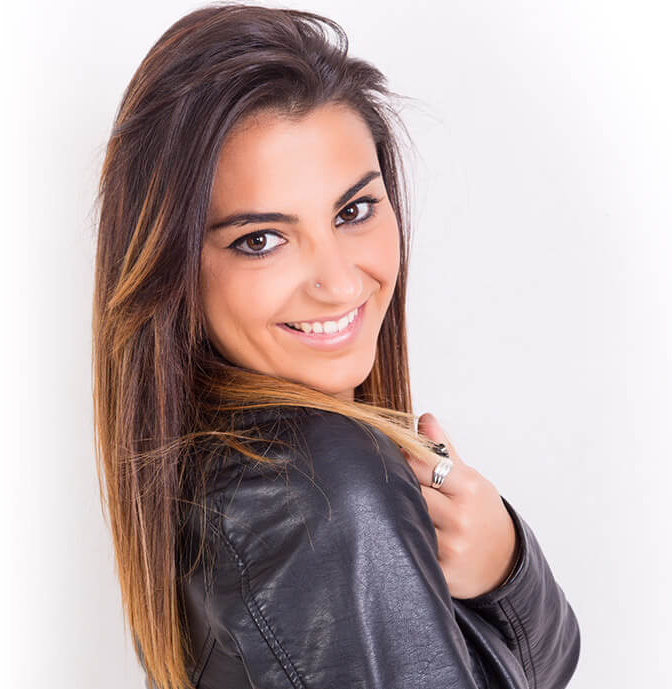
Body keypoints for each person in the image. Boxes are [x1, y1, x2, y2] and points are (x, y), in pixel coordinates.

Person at [91, 4, 581, 688]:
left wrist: (502, 564)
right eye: (260, 238)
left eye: (353, 211)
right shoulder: (313, 489)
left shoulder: (246, 474)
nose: (339, 281)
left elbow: (540, 669)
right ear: (173, 276)